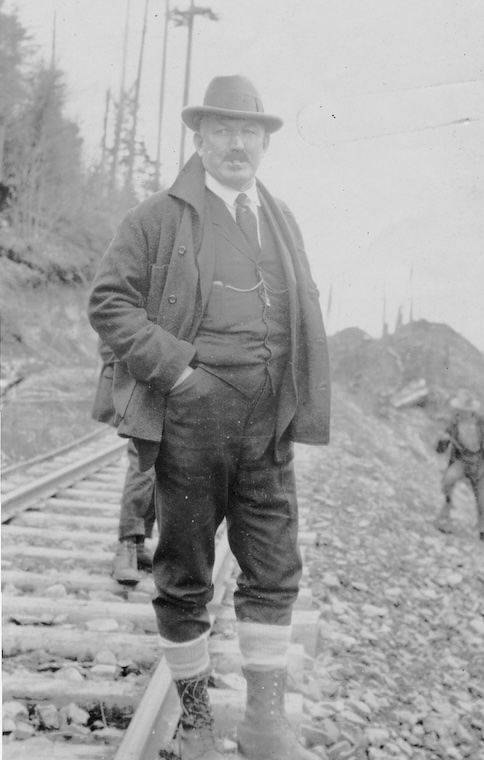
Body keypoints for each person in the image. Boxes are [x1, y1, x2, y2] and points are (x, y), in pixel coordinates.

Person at [88, 75, 330, 760]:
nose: (236, 143)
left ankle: (262, 720)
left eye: (248, 131)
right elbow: (109, 302)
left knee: (276, 569)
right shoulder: (156, 217)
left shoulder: (280, 218)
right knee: (186, 573)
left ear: (264, 142)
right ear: (199, 137)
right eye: (222, 130)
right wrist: (179, 372)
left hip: (266, 426)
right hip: (191, 421)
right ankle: (194, 719)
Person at [91, 339, 156, 584]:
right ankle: (127, 546)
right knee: (143, 463)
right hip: (139, 380)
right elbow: (110, 332)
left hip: (168, 379)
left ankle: (138, 543)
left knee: (164, 465)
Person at [435, 388, 484, 541]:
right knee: (447, 481)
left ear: (471, 412)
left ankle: (482, 527)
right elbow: (440, 450)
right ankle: (446, 511)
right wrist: (442, 440)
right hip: (461, 462)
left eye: (464, 410)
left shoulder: (481, 424)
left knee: (482, 498)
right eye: (460, 410)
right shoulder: (453, 425)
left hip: (480, 463)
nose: (461, 413)